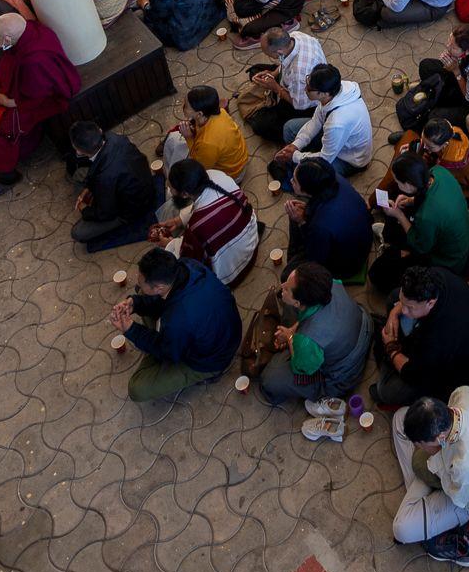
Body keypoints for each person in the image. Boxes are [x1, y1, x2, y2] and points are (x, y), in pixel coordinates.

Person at [389, 388, 469, 566]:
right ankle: (426, 520)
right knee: (399, 417)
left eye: (420, 444)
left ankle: (449, 527)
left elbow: (458, 496)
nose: (417, 447)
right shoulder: (462, 393)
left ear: (440, 437)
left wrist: (434, 463)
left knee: (401, 530)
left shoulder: (466, 463)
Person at [254, 261, 373, 434]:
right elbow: (309, 318)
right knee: (293, 322)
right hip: (362, 326)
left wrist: (290, 338)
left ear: (298, 303)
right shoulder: (330, 284)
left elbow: (302, 368)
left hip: (343, 374)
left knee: (270, 379)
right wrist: (293, 331)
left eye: (286, 289)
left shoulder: (307, 340)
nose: (282, 288)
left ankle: (323, 395)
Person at [0, 10, 79, 201]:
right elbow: (10, 60)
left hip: (47, 100)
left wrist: (7, 102)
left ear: (7, 37)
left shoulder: (35, 58)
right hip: (28, 88)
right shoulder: (28, 30)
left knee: (2, 129)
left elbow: (37, 97)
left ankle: (7, 176)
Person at [113, 246, 241, 402]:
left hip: (213, 359)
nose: (137, 280)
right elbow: (165, 299)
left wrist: (131, 330)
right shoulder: (187, 264)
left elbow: (169, 353)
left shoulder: (178, 320)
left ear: (159, 287)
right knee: (140, 293)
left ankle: (206, 374)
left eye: (141, 280)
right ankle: (155, 337)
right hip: (225, 330)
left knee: (137, 388)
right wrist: (135, 303)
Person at [372, 262, 469, 409]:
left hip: (455, 379)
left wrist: (390, 347)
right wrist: (395, 311)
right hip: (453, 341)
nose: (404, 310)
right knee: (393, 297)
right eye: (403, 303)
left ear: (430, 303)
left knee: (386, 391)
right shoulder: (435, 275)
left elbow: (412, 373)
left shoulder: (438, 340)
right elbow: (401, 303)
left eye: (410, 308)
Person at [369, 153, 469, 296]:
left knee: (377, 273)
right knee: (398, 213)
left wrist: (399, 215)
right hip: (455, 235)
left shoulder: (427, 217)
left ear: (410, 184)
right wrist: (412, 200)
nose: (398, 185)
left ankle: (400, 250)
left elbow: (421, 247)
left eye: (399, 182)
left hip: (448, 261)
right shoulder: (439, 171)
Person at [151, 158, 259, 286]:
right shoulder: (217, 175)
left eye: (172, 188)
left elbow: (190, 259)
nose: (169, 189)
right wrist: (180, 220)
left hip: (232, 274)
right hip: (252, 245)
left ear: (185, 194)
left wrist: (170, 244)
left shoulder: (197, 226)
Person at [269, 65, 374, 187]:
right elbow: (316, 121)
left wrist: (295, 156)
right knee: (289, 128)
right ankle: (306, 155)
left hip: (350, 160)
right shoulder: (336, 89)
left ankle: (305, 159)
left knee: (306, 177)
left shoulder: (337, 123)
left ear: (323, 93)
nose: (305, 89)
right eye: (307, 82)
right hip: (334, 138)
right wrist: (295, 145)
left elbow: (325, 158)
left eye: (309, 88)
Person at [67, 120, 159, 252]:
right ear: (99, 130)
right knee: (80, 176)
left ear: (78, 151)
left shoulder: (104, 178)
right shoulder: (115, 138)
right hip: (143, 184)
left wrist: (84, 209)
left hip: (132, 210)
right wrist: (90, 188)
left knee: (78, 233)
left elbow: (105, 213)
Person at [284, 156, 372, 280]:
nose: (291, 181)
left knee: (287, 275)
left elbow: (317, 258)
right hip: (360, 239)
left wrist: (302, 222)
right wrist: (310, 209)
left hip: (348, 265)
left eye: (295, 181)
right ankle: (296, 255)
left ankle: (295, 258)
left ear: (307, 189)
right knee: (296, 214)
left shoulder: (320, 226)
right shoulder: (334, 179)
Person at [158, 85, 246, 177]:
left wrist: (189, 138)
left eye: (186, 106)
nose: (182, 106)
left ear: (199, 114)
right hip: (237, 159)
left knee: (175, 147)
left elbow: (200, 166)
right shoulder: (221, 112)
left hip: (232, 173)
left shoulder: (208, 143)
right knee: (173, 139)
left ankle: (169, 180)